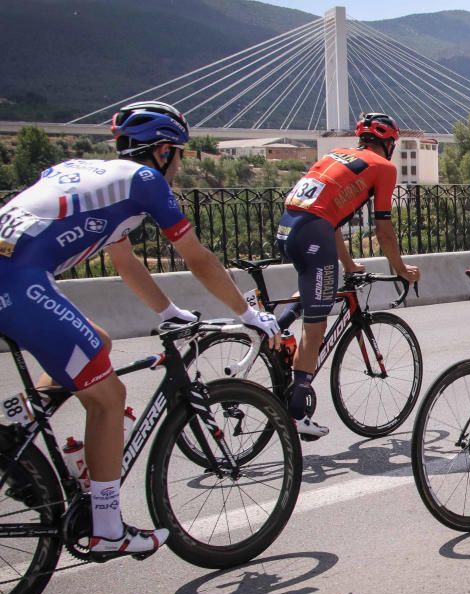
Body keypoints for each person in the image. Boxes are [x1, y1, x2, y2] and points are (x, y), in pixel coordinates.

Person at [0, 101, 280, 559]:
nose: (179, 165)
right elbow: (198, 257)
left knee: (100, 344)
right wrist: (248, 313)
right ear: (165, 151)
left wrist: (168, 309)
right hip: (18, 282)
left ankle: (21, 422)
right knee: (108, 398)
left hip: (13, 275)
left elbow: (126, 263)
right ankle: (107, 527)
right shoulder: (145, 182)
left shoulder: (95, 178)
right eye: (181, 155)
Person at [276, 112, 420, 440]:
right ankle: (297, 413)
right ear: (389, 144)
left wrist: (349, 264)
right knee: (316, 329)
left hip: (289, 227)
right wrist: (401, 269)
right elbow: (384, 230)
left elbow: (331, 218)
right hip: (314, 233)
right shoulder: (383, 167)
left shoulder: (335, 156)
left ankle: (276, 328)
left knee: (312, 290)